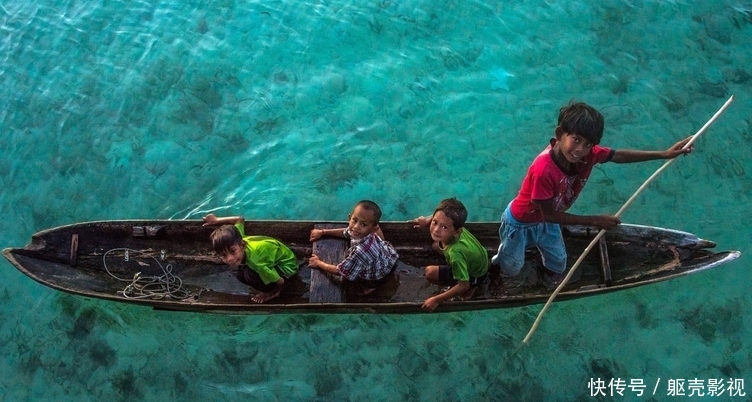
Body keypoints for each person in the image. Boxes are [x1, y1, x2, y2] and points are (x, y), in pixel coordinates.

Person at [491, 101, 694, 290]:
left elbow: (618, 156)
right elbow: (549, 215)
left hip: (547, 220)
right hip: (520, 223)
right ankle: (496, 265)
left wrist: (664, 154)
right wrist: (595, 221)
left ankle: (541, 267)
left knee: (558, 263)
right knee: (511, 267)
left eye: (588, 144)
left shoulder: (588, 154)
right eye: (576, 140)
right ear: (560, 134)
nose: (580, 149)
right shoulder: (544, 170)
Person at [411, 198, 489, 312]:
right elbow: (440, 218)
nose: (436, 230)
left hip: (474, 275)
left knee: (430, 272)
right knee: (435, 246)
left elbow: (464, 285)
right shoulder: (455, 225)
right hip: (479, 259)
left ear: (457, 231)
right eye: (435, 222)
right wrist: (427, 221)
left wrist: (437, 300)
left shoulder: (455, 253)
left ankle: (474, 287)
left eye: (444, 227)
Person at [203, 213, 299, 303]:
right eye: (224, 255)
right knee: (240, 274)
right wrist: (216, 220)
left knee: (249, 275)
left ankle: (269, 290)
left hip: (287, 267)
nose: (229, 259)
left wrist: (272, 293)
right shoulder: (238, 237)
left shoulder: (256, 263)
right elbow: (239, 220)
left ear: (242, 245)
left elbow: (280, 281)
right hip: (273, 255)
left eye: (232, 251)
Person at [308, 200, 399, 295]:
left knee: (363, 283)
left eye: (363, 224)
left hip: (378, 275)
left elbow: (341, 271)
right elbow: (346, 232)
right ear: (349, 218)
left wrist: (318, 263)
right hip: (388, 258)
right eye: (355, 220)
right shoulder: (364, 232)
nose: (356, 227)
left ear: (373, 229)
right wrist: (322, 232)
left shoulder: (360, 252)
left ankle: (370, 288)